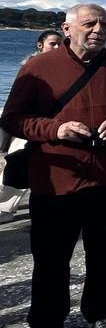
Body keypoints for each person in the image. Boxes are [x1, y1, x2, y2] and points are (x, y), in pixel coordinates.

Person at [1, 3, 106, 328]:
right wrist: (57, 129)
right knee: (50, 258)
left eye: (105, 24)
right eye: (90, 23)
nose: (98, 29)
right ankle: (43, 324)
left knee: (104, 254)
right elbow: (13, 119)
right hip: (55, 181)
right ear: (67, 29)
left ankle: (100, 314)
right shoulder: (38, 67)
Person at [1, 31, 66, 220]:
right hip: (28, 124)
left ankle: (10, 208)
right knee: (19, 163)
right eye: (53, 44)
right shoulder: (31, 66)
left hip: (46, 125)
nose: (57, 48)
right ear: (40, 45)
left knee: (31, 168)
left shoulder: (61, 67)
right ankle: (6, 207)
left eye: (59, 44)